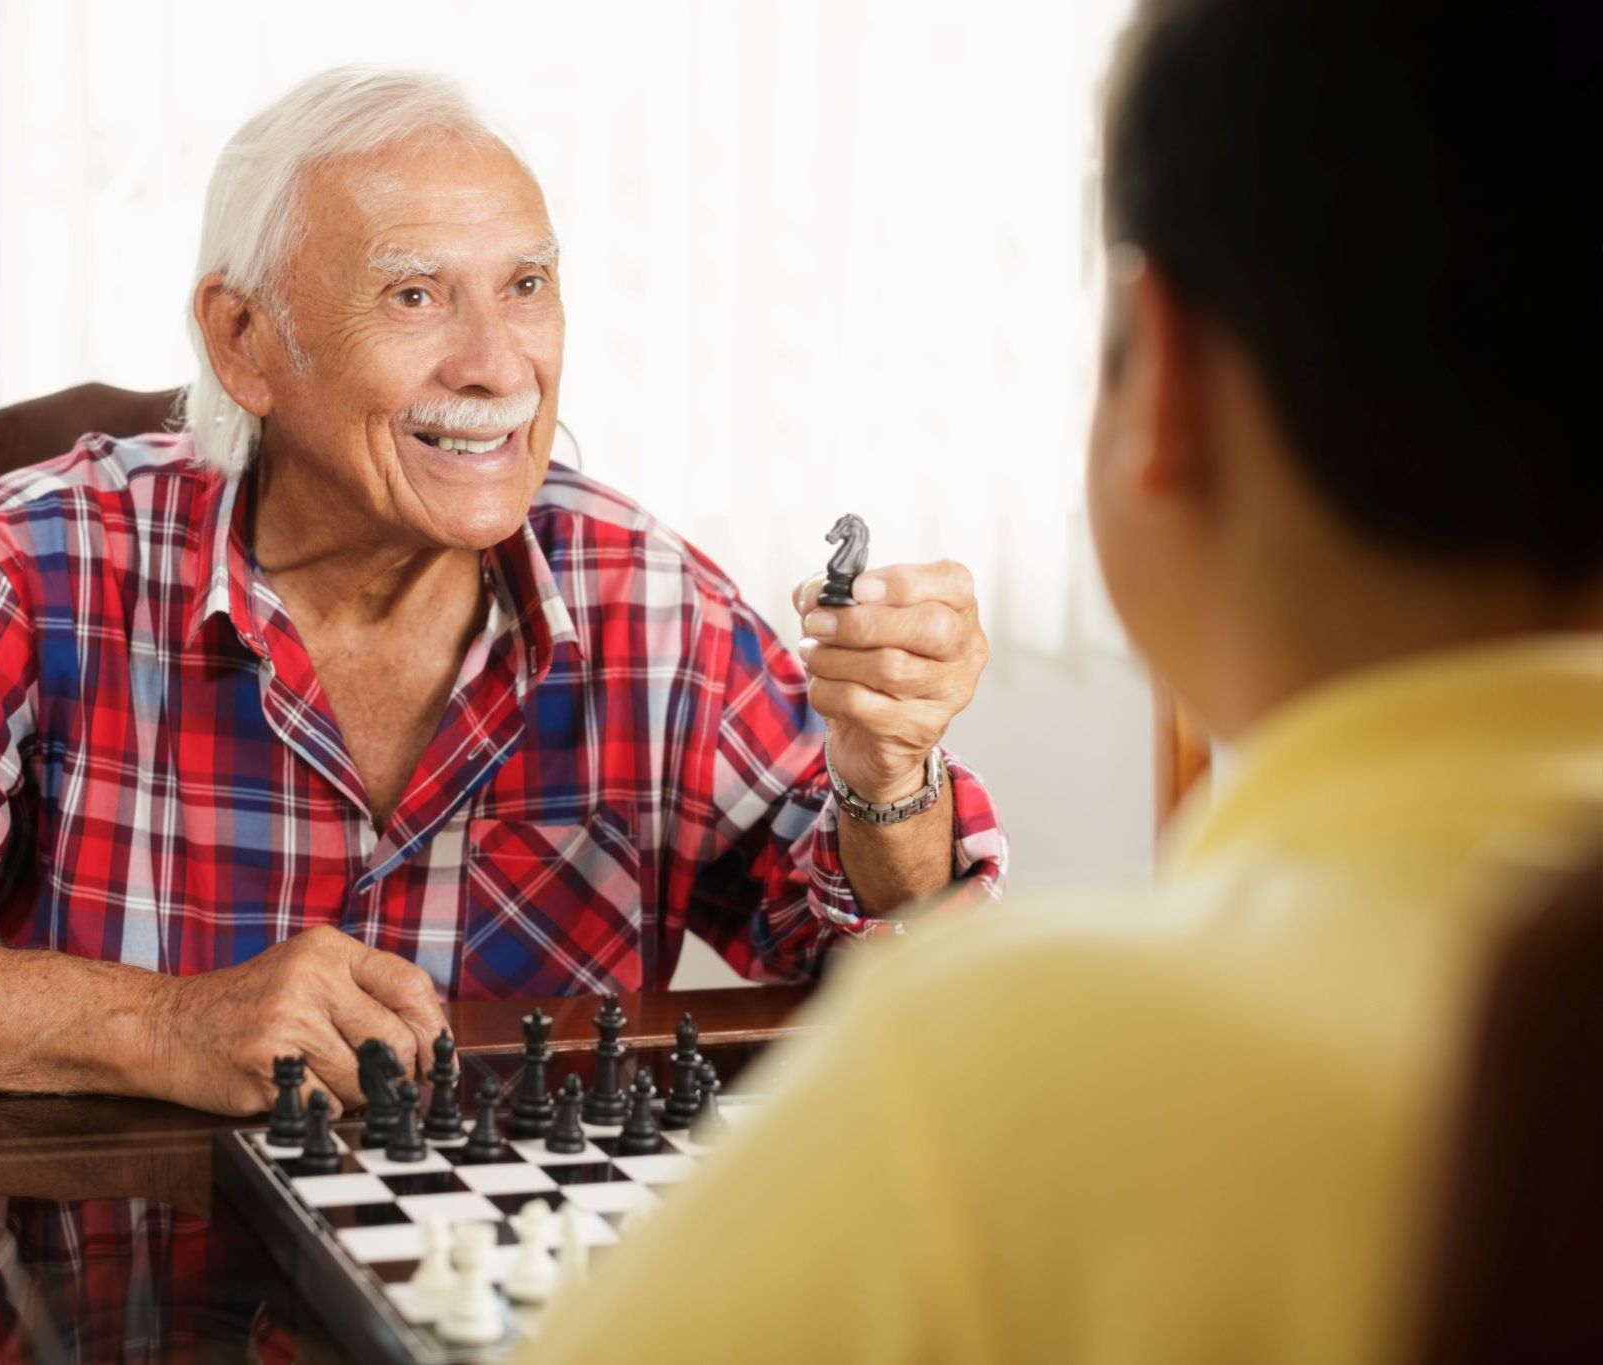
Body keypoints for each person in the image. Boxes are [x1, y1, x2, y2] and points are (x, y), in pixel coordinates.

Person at [523, 1, 1603, 1361]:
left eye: (526, 286)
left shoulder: (1000, 1078)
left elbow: (882, 928)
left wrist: (889, 792)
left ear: (1171, 386)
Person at [0, 69, 1004, 1117]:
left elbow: (898, 967)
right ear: (245, 341)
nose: (497, 365)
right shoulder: (40, 562)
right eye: (416, 297)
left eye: (526, 286)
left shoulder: (655, 603)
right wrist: (160, 1024)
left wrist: (892, 778)